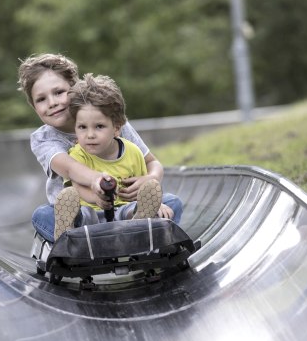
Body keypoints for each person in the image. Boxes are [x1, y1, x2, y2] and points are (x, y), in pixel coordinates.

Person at [17, 53, 183, 242]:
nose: (52, 103)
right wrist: (97, 180)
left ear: (75, 89)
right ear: (34, 106)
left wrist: (149, 179)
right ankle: (73, 236)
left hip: (125, 207)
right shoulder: (43, 139)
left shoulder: (112, 121)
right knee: (42, 215)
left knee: (172, 203)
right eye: (41, 99)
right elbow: (69, 168)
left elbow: (152, 162)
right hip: (81, 212)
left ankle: (139, 225)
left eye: (59, 92)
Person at [53, 73, 183, 239]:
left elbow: (143, 187)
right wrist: (96, 198)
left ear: (116, 128)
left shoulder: (133, 152)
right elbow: (77, 190)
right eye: (82, 127)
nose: (89, 135)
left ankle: (141, 221)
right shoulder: (77, 154)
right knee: (81, 213)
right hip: (92, 212)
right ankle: (67, 232)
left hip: (125, 210)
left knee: (160, 205)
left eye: (99, 126)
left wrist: (155, 201)